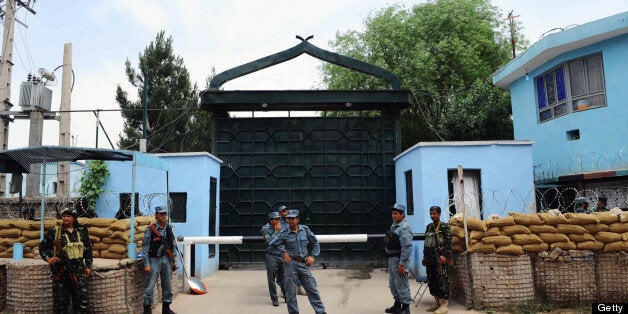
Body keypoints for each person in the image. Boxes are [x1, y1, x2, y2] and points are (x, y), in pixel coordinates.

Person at [269, 209, 327, 314]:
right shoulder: (284, 233)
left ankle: (320, 312)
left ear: (298, 219)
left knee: (312, 289)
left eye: (292, 219)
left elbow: (315, 242)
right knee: (290, 294)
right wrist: (283, 254)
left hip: (304, 264)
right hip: (290, 265)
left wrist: (313, 256)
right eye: (288, 219)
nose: (290, 221)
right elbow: (272, 246)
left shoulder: (305, 230)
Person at [39, 208, 93, 313]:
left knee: (81, 299)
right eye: (64, 216)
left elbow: (88, 248)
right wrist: (48, 259)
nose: (66, 218)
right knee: (60, 302)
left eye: (68, 216)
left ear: (74, 218)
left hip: (78, 271)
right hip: (61, 270)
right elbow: (43, 246)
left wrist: (88, 266)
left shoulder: (82, 230)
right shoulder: (55, 231)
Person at [142, 206, 177, 314]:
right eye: (161, 214)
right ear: (156, 215)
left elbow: (172, 245)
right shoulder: (150, 229)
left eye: (165, 214)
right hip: (154, 260)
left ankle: (166, 309)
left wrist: (173, 260)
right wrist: (146, 264)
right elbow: (145, 247)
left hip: (166, 259)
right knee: (150, 286)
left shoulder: (169, 228)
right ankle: (147, 309)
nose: (163, 216)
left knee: (168, 285)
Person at [422, 206, 452, 314]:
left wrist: (444, 255)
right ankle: (437, 302)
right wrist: (424, 257)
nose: (432, 216)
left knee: (442, 280)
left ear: (439, 214)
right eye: (430, 213)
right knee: (432, 280)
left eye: (434, 213)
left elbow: (448, 244)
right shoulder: (429, 227)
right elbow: (426, 243)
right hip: (430, 258)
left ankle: (444, 305)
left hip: (440, 259)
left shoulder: (444, 227)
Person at [384, 203, 413, 314]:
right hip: (392, 259)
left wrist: (402, 264)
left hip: (399, 260)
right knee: (393, 284)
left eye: (396, 213)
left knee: (401, 284)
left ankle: (406, 308)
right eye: (392, 213)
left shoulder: (404, 228)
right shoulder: (395, 225)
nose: (393, 216)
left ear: (402, 214)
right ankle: (397, 305)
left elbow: (407, 247)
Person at [278, 205, 306, 296]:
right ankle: (284, 290)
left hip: (292, 249)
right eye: (283, 211)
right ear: (279, 213)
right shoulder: (276, 221)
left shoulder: (290, 220)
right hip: (282, 250)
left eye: (286, 210)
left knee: (298, 270)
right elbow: (266, 230)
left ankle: (299, 288)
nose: (285, 212)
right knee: (284, 272)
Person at [261, 211, 285, 306]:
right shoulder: (266, 230)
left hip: (282, 255)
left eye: (279, 219)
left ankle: (286, 295)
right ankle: (274, 298)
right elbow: (270, 242)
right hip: (272, 256)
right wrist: (277, 231)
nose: (279, 220)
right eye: (277, 219)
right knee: (271, 278)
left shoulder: (283, 228)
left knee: (284, 278)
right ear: (271, 221)